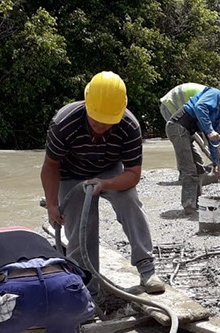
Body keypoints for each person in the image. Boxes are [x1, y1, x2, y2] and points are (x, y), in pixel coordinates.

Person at [41, 71, 165, 296]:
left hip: (109, 170)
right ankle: (87, 286)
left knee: (129, 200)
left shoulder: (129, 126)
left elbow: (133, 174)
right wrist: (52, 204)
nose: (100, 125)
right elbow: (50, 166)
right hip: (71, 174)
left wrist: (105, 183)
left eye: (108, 121)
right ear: (87, 103)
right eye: (96, 118)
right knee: (80, 227)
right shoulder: (64, 123)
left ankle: (147, 269)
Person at [166, 87, 220, 215]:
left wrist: (216, 164)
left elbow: (213, 142)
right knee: (189, 170)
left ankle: (197, 203)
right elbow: (200, 107)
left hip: (186, 132)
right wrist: (209, 131)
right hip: (178, 127)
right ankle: (190, 207)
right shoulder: (215, 94)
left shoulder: (217, 114)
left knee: (198, 166)